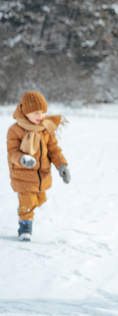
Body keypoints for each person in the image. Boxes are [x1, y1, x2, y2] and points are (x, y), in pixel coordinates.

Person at [7, 90, 71, 241]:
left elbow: (54, 150)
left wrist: (62, 165)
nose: (41, 116)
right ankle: (25, 227)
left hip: (42, 175)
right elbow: (12, 152)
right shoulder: (15, 130)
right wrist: (23, 159)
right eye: (36, 112)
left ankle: (25, 209)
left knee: (39, 200)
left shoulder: (45, 129)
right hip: (23, 175)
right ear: (26, 112)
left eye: (43, 112)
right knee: (28, 202)